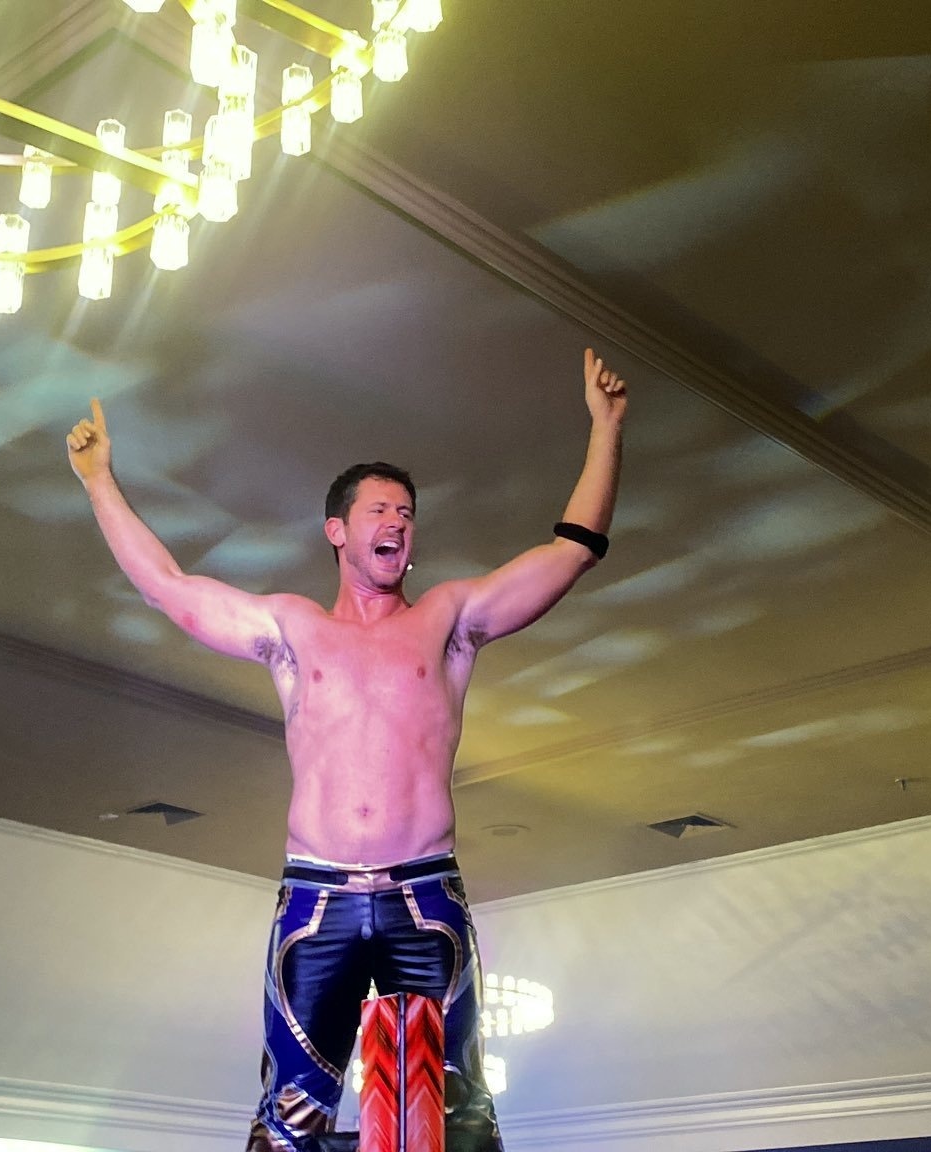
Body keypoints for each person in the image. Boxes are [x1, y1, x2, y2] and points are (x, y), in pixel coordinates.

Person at [66, 349, 628, 1152]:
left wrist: (607, 429)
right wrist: (99, 481)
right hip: (316, 896)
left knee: (458, 1121)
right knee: (288, 1119)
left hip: (423, 891)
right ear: (337, 530)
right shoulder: (293, 628)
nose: (398, 522)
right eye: (380, 510)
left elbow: (572, 551)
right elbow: (166, 586)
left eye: (407, 513)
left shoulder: (447, 619)